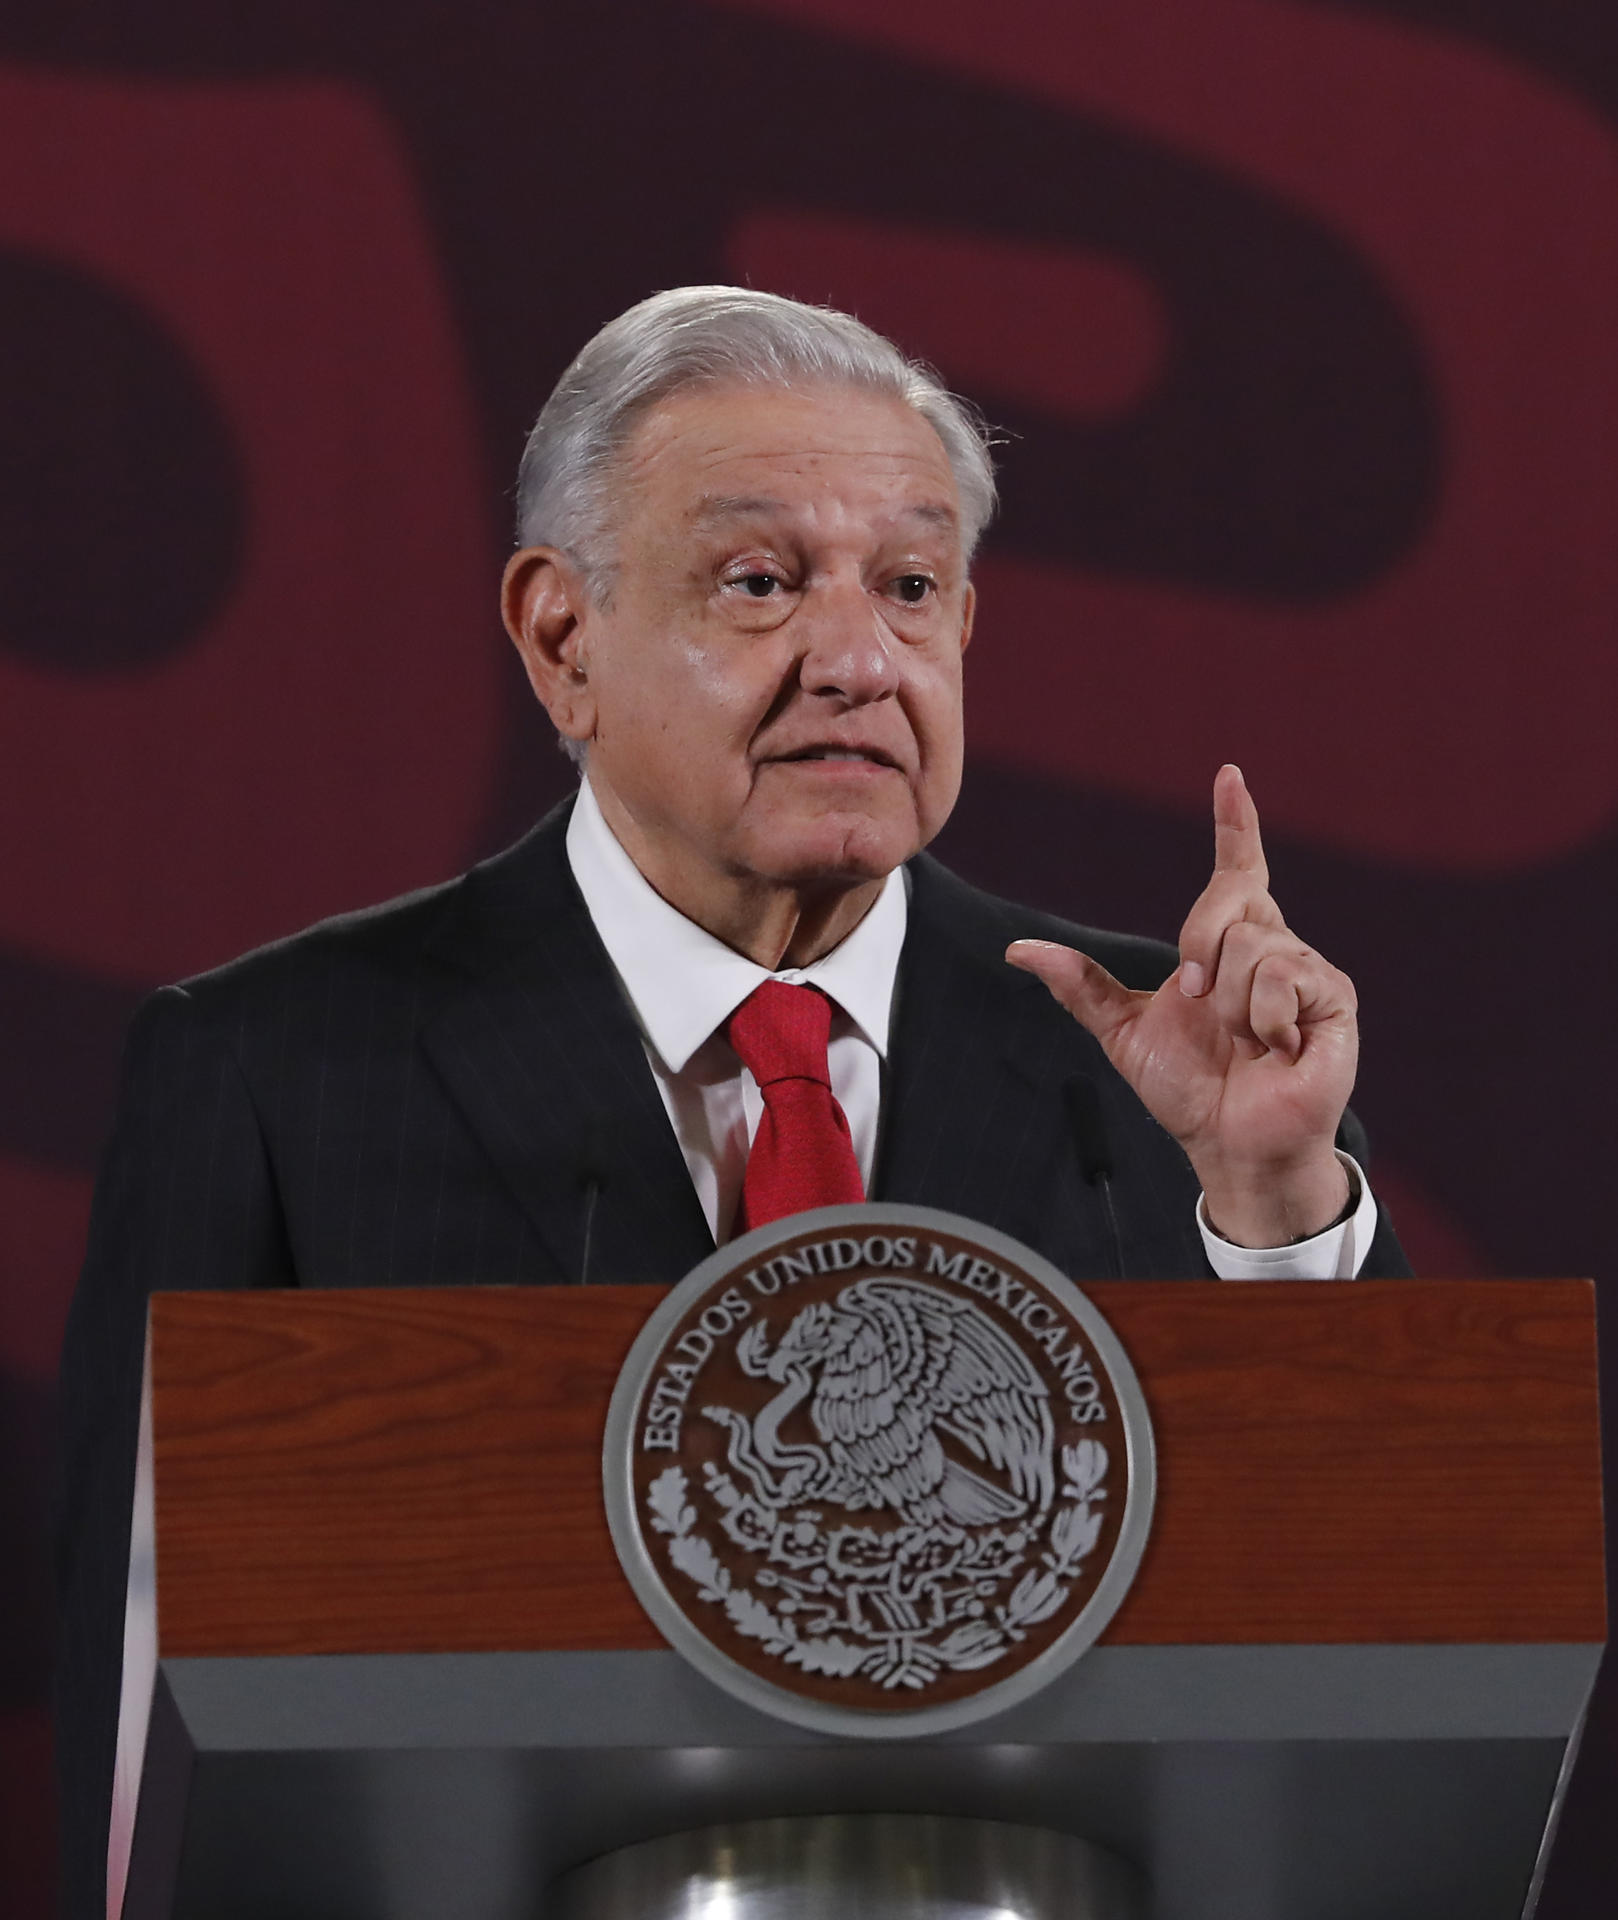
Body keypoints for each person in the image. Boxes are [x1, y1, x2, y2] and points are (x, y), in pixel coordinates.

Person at [56, 286, 1406, 1917]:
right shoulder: (276, 1068)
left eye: (909, 586)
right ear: (563, 640)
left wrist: (1271, 1211)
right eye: (759, 583)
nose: (855, 658)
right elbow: (138, 1741)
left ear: (964, 632)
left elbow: (1392, 1648)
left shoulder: (1170, 1069)